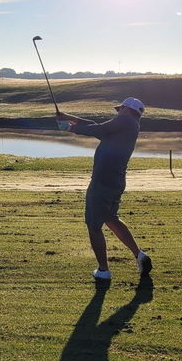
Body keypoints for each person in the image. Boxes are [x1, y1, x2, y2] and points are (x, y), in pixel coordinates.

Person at [57, 97, 152, 282]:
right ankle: (140, 255)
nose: (118, 112)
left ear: (126, 109)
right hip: (115, 180)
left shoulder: (124, 121)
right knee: (111, 218)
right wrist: (69, 118)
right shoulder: (129, 125)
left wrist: (70, 127)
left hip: (103, 181)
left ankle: (103, 271)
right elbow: (98, 126)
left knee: (94, 225)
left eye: (120, 109)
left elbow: (98, 129)